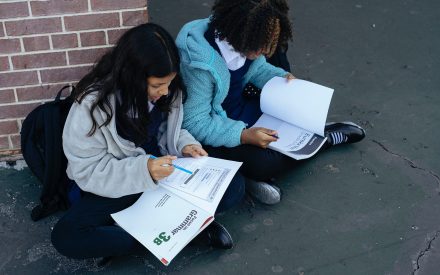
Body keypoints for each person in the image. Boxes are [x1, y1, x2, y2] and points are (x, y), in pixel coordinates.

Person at [51, 23, 243, 261]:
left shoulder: (168, 92)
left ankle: (157, 232)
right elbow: (86, 171)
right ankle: (177, 232)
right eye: (156, 85)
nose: (164, 91)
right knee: (67, 237)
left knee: (234, 186)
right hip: (122, 185)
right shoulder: (92, 107)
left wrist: (184, 144)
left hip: (166, 175)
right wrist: (144, 170)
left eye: (168, 83)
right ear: (133, 76)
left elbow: (169, 129)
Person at [175, 0, 365, 205]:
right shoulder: (199, 64)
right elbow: (195, 122)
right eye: (259, 48)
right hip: (217, 127)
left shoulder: (244, 39)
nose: (263, 53)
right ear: (240, 35)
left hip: (243, 108)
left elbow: (257, 69)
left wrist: (282, 78)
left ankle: (301, 144)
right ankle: (324, 140)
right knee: (263, 163)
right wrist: (243, 136)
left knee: (294, 112)